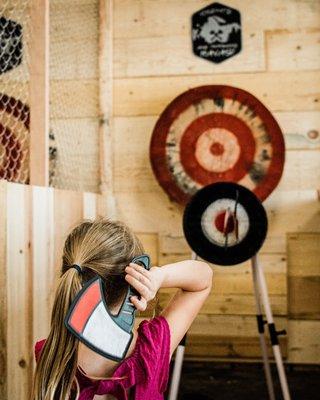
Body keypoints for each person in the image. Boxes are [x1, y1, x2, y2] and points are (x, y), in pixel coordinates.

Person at [32, 218, 213, 400]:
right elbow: (203, 279)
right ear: (132, 288)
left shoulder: (50, 353)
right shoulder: (151, 349)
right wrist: (160, 276)